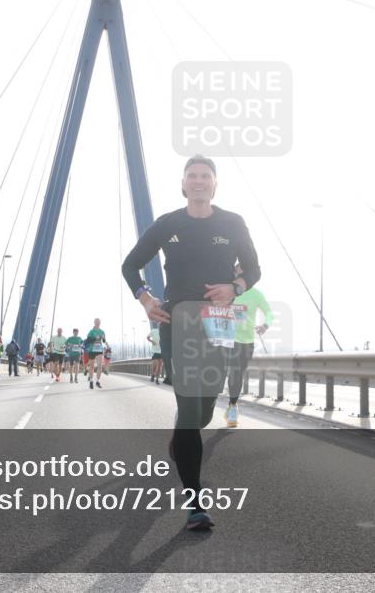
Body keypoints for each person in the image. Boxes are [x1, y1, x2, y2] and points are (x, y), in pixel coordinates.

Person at [122, 155, 260, 531]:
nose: (199, 181)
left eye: (205, 176)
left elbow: (254, 269)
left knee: (204, 411)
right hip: (177, 321)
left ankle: (184, 433)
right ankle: (195, 504)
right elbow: (130, 265)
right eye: (192, 176)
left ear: (215, 184)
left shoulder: (233, 222)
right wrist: (146, 299)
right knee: (188, 406)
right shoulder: (168, 224)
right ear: (183, 184)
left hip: (219, 322)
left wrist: (235, 287)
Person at [225, 271, 273, 427]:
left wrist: (265, 325)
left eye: (242, 269)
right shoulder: (227, 290)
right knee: (231, 372)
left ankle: (232, 405)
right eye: (236, 270)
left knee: (237, 374)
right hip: (227, 339)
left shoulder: (256, 294)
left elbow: (269, 312)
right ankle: (227, 407)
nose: (238, 273)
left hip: (247, 342)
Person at [85, 318, 107, 389]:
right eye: (96, 322)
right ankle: (91, 381)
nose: (97, 323)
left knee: (100, 365)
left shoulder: (102, 331)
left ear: (100, 323)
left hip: (99, 349)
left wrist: (103, 338)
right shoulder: (91, 331)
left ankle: (97, 381)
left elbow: (104, 341)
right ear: (94, 323)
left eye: (99, 322)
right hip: (92, 350)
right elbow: (87, 340)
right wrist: (94, 338)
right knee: (92, 366)